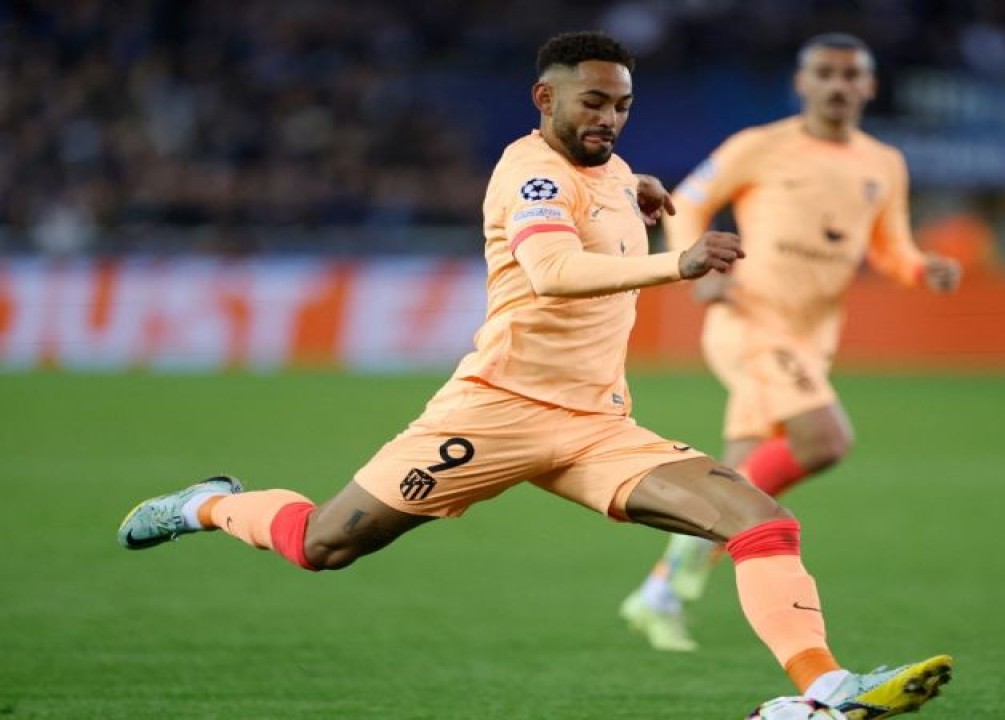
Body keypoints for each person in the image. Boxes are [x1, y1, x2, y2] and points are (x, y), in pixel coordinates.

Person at [117, 31, 952, 716]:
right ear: (544, 99)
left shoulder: (615, 170)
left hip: (595, 425)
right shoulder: (531, 172)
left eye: (623, 104)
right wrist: (680, 263)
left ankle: (820, 694)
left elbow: (610, 194)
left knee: (761, 521)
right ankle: (208, 502)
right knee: (322, 545)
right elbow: (552, 271)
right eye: (594, 101)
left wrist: (641, 198)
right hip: (493, 412)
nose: (611, 118)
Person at [620, 32, 962, 653]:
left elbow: (887, 245)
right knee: (824, 438)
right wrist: (694, 266)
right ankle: (682, 574)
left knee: (739, 481)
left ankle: (661, 589)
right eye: (825, 74)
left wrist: (919, 268)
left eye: (849, 75)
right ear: (802, 83)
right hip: (751, 317)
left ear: (869, 87)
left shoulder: (883, 162)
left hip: (811, 335)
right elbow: (688, 203)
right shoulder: (759, 147)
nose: (837, 85)